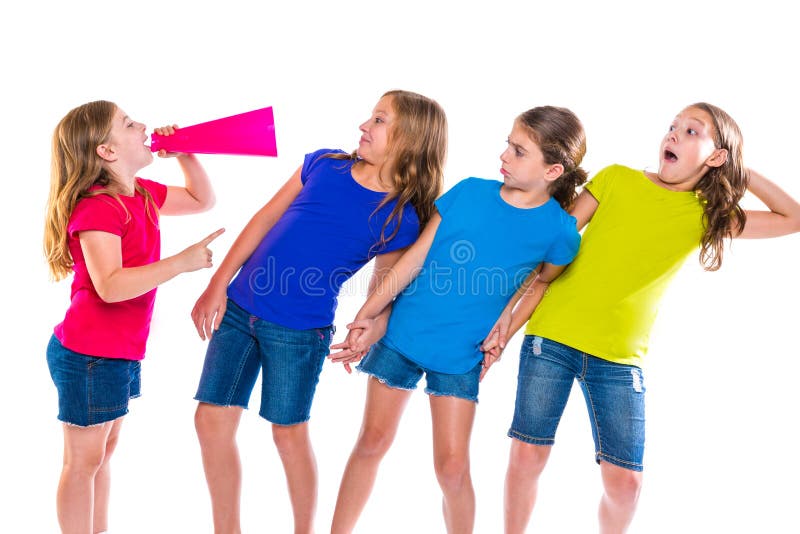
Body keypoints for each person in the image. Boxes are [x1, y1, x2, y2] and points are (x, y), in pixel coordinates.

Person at [481, 102, 800, 533]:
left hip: (619, 358)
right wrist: (505, 321)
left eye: (692, 132)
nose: (674, 134)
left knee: (626, 481)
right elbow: (547, 250)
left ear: (716, 155)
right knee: (526, 456)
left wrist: (738, 169)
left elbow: (793, 218)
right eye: (673, 126)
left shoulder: (707, 215)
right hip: (552, 337)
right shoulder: (616, 178)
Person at [190, 90, 447, 534]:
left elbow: (384, 285)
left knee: (287, 435)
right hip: (239, 311)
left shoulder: (402, 218)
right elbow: (265, 218)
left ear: (410, 141)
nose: (364, 126)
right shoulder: (325, 164)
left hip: (298, 333)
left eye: (379, 120)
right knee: (209, 420)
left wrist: (372, 325)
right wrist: (218, 283)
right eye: (371, 117)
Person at [327, 106, 588, 534]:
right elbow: (415, 257)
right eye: (508, 143)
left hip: (460, 356)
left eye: (518, 151)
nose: (504, 154)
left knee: (451, 468)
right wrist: (367, 313)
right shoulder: (468, 192)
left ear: (553, 169)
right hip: (402, 337)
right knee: (371, 442)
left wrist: (504, 333)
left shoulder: (560, 232)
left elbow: (540, 284)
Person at [44, 100, 220, 534]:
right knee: (83, 461)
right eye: (128, 123)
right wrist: (181, 262)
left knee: (104, 452)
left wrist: (185, 155)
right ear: (107, 151)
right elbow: (111, 285)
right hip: (88, 354)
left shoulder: (141, 194)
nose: (142, 124)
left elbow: (202, 199)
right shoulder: (98, 208)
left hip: (117, 353)